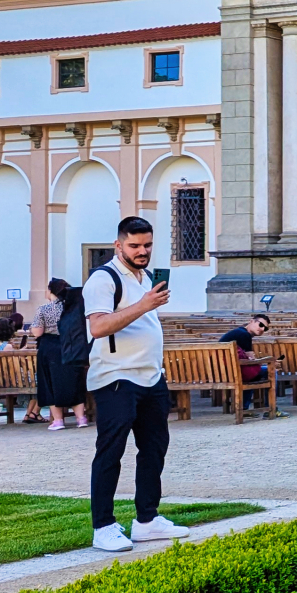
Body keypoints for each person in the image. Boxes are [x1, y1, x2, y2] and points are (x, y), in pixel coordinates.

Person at [84, 216, 189, 552]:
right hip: (116, 377)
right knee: (111, 451)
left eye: (147, 245)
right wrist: (143, 305)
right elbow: (98, 327)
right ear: (119, 245)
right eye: (134, 245)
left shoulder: (145, 278)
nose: (142, 251)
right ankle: (103, 526)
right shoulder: (104, 278)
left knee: (154, 448)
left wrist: (147, 304)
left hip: (151, 376)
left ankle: (147, 520)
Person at [32, 279, 88, 430]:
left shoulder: (44, 309)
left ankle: (58, 421)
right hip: (72, 345)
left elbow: (37, 332)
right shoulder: (74, 307)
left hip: (50, 347)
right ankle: (81, 418)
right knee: (75, 381)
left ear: (51, 291)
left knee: (50, 382)